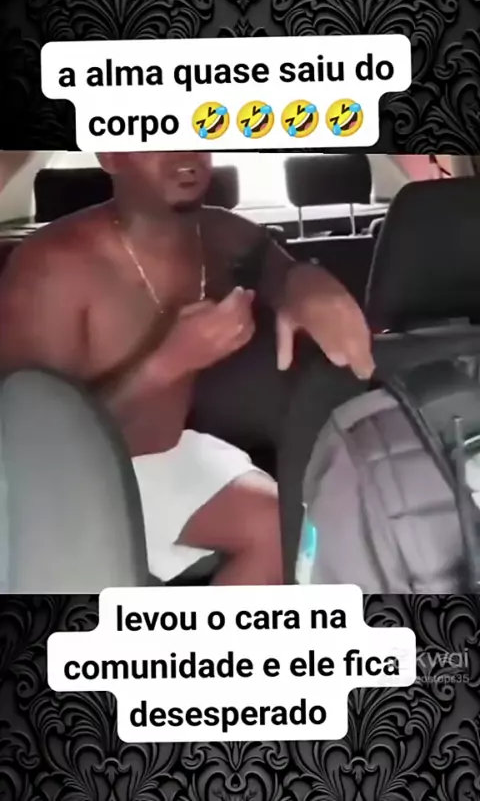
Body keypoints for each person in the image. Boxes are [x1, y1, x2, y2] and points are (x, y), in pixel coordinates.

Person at [0, 151, 374, 585]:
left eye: (199, 132)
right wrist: (166, 363)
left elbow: (271, 263)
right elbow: (28, 450)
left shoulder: (215, 232)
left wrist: (303, 284)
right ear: (111, 155)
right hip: (75, 477)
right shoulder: (51, 266)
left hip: (170, 452)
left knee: (291, 526)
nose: (186, 154)